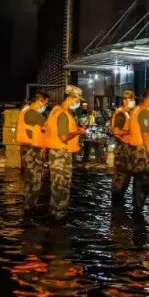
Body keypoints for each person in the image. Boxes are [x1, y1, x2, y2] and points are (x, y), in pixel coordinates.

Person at [42, 86, 86, 221]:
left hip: (55, 153)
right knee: (62, 186)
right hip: (61, 154)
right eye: (78, 100)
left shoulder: (56, 110)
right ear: (71, 99)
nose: (78, 103)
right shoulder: (63, 114)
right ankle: (59, 216)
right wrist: (79, 132)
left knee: (56, 184)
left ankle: (53, 212)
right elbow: (63, 137)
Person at [125, 87, 149, 210]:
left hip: (136, 149)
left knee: (138, 181)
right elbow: (145, 134)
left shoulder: (135, 110)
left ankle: (136, 207)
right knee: (143, 182)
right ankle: (138, 210)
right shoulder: (145, 112)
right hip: (144, 151)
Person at [15, 94, 49, 210]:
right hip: (33, 150)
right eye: (45, 103)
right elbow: (49, 125)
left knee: (30, 179)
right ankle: (30, 206)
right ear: (39, 101)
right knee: (35, 180)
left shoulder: (25, 111)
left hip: (28, 149)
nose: (45, 105)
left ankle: (28, 205)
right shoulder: (32, 113)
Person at [111, 90, 137, 200]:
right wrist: (130, 133)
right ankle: (117, 200)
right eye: (130, 99)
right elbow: (116, 132)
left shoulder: (128, 113)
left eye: (132, 99)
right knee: (120, 176)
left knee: (125, 176)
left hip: (126, 147)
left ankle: (119, 199)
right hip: (122, 148)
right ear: (124, 101)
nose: (132, 101)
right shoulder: (121, 113)